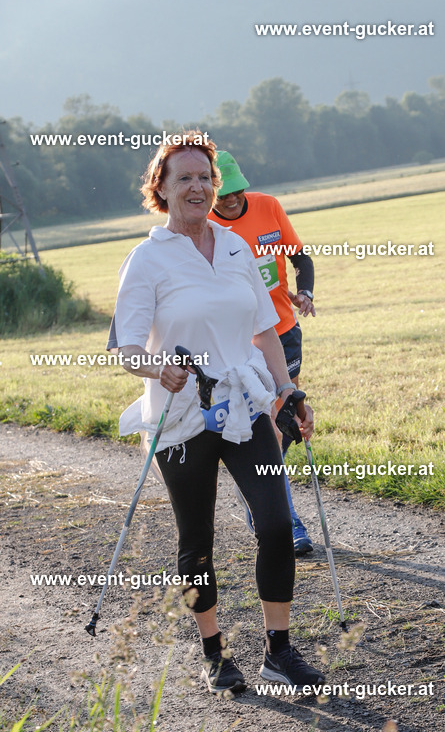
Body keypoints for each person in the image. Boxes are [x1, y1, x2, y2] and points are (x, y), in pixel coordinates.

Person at [106, 131, 325, 696]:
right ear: (162, 187)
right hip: (181, 416)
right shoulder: (147, 258)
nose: (198, 186)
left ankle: (278, 652)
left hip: (245, 404)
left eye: (205, 176)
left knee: (277, 525)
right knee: (196, 540)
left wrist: (286, 390)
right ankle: (214, 654)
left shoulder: (234, 246)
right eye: (185, 177)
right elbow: (126, 348)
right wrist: (159, 370)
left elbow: (265, 329)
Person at [208, 151, 316, 555]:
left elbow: (299, 256)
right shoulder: (206, 227)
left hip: (282, 332)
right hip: (241, 342)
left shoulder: (269, 206)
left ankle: (260, 493)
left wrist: (303, 290)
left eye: (237, 190)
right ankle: (284, 520)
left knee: (285, 416)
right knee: (270, 427)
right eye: (225, 192)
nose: (232, 199)